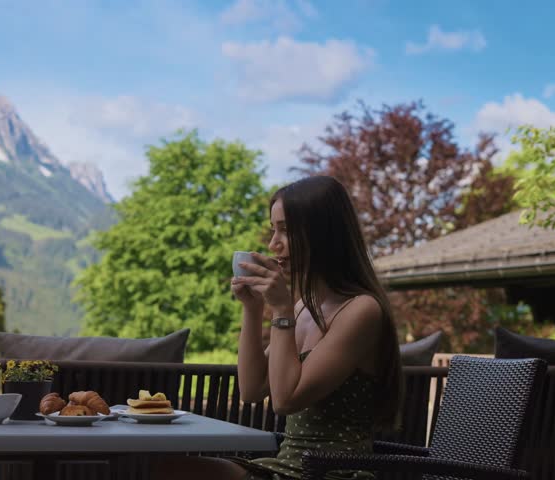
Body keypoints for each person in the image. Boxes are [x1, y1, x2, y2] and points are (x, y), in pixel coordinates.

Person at [151, 176, 403, 479]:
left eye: (286, 230)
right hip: (285, 468)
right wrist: (253, 308)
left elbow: (285, 400)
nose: (274, 244)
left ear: (323, 233)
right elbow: (252, 388)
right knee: (169, 467)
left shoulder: (361, 310)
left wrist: (282, 308)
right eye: (274, 230)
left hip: (332, 473)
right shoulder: (303, 308)